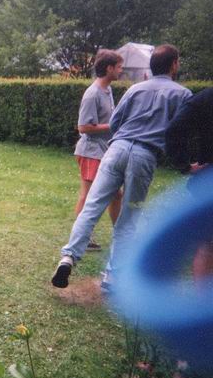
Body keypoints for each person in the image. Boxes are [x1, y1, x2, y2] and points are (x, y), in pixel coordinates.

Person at [52, 44, 192, 289]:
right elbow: (180, 133)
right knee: (129, 217)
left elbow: (115, 122)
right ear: (173, 65)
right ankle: (112, 277)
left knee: (92, 207)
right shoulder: (183, 95)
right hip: (144, 157)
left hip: (115, 151)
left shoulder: (135, 89)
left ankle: (68, 257)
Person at [73, 49, 124, 251]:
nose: (121, 70)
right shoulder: (92, 94)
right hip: (90, 152)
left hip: (104, 151)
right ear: (109, 68)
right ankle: (82, 239)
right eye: (119, 67)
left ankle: (121, 235)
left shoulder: (107, 90)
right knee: (87, 196)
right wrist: (113, 125)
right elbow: (83, 127)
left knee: (116, 194)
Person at [165, 87, 213, 281]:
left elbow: (174, 130)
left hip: (209, 180)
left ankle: (203, 298)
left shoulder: (205, 98)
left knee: (208, 243)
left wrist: (183, 164)